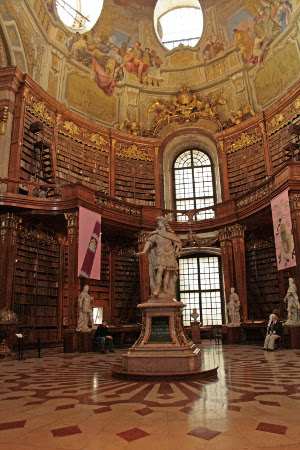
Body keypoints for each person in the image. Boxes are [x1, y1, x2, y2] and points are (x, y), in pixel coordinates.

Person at [136, 216, 182, 297]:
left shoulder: (170, 234)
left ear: (164, 223)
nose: (158, 224)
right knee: (160, 270)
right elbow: (149, 242)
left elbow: (178, 243)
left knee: (167, 272)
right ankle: (157, 288)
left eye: (159, 222)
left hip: (169, 254)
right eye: (158, 222)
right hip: (160, 253)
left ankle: (165, 289)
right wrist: (144, 251)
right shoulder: (156, 234)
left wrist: (177, 251)